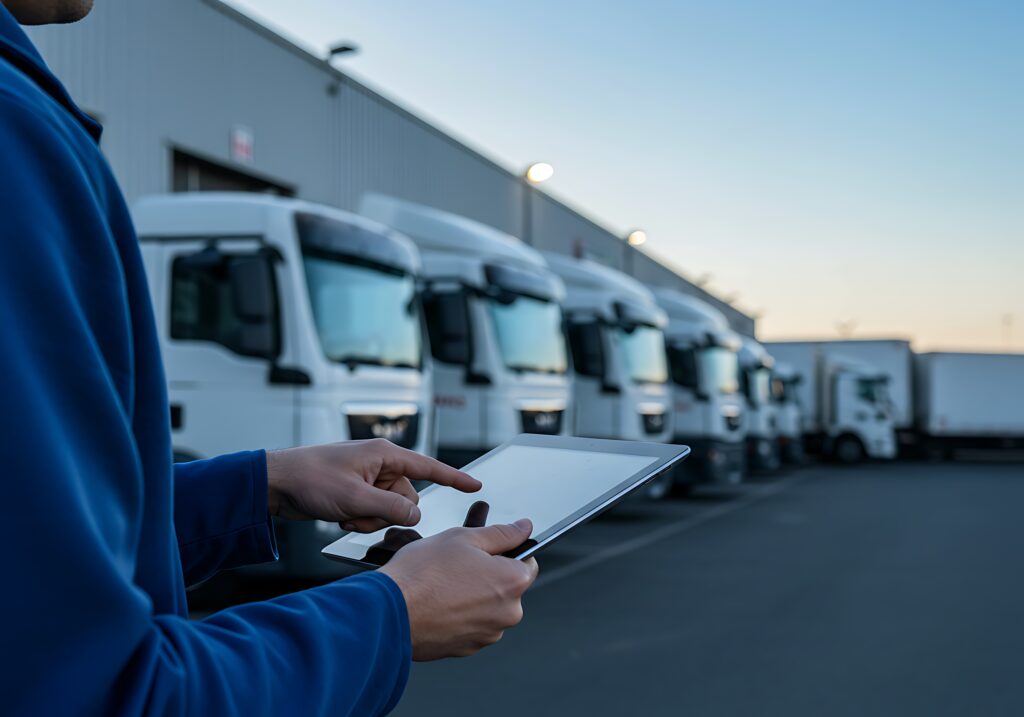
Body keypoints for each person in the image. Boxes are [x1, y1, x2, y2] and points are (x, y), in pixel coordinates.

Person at [0, 1, 539, 714]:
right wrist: (394, 612)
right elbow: (98, 692)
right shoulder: (14, 135)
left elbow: (30, 559)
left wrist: (260, 486)